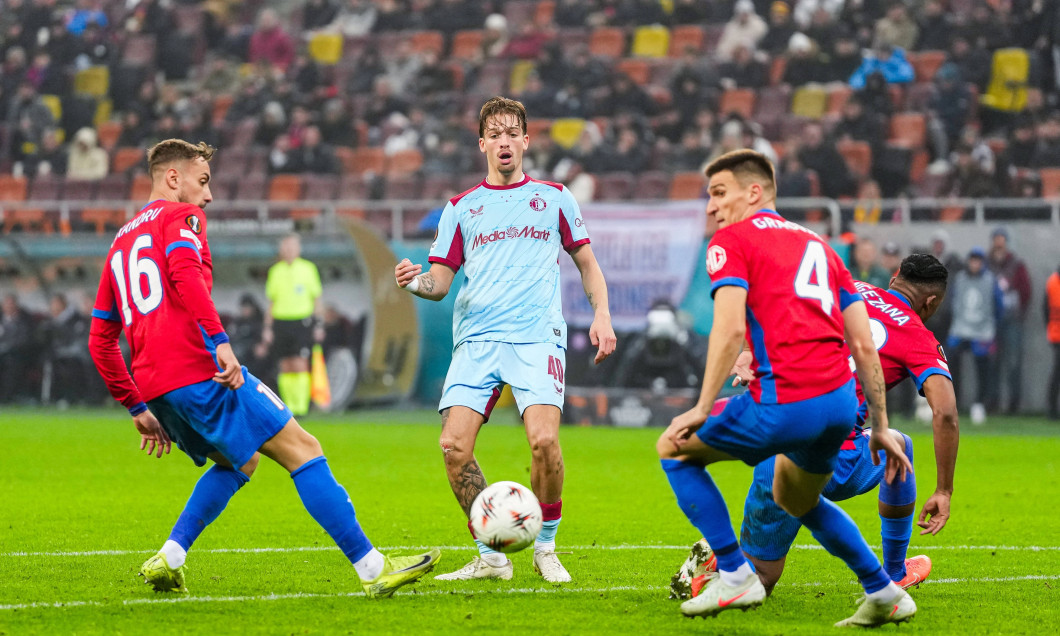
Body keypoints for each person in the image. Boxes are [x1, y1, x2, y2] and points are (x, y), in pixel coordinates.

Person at [88, 139, 439, 598]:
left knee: (242, 460)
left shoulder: (120, 242)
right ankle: (373, 568)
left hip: (157, 389)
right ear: (173, 178)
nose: (209, 195)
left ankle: (169, 557)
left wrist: (136, 406)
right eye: (203, 181)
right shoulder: (181, 217)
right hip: (200, 373)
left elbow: (100, 339)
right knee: (304, 448)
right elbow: (185, 277)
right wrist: (221, 343)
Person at [655, 149, 914, 627]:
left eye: (720, 193)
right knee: (796, 497)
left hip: (787, 401)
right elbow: (862, 344)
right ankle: (883, 591)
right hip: (839, 405)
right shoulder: (823, 248)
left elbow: (729, 329)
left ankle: (735, 574)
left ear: (754, 192)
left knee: (673, 447)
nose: (711, 206)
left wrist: (702, 406)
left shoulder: (731, 240)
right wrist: (880, 425)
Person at [393, 97, 617, 583]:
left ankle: (546, 547)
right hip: (477, 340)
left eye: (513, 133)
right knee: (453, 447)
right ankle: (491, 555)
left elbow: (587, 264)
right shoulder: (460, 209)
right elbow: (439, 283)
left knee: (544, 442)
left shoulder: (555, 198)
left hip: (537, 337)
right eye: (495, 134)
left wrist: (602, 314)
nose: (504, 142)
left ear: (526, 141)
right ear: (482, 145)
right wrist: (414, 282)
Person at [672, 254, 959, 599]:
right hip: (828, 452)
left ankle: (720, 560)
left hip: (774, 431)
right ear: (931, 302)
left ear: (894, 277)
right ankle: (894, 573)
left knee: (762, 573)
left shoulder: (847, 289)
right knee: (900, 448)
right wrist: (943, 490)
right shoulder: (918, 337)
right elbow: (945, 413)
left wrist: (748, 350)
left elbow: (767, 300)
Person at [263, 233, 324, 417]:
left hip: (301, 321)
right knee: (285, 364)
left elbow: (317, 299)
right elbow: (271, 302)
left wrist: (319, 324)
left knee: (300, 363)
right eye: (286, 246)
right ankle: (289, 407)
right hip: (281, 322)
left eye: (292, 246)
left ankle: (301, 407)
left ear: (298, 249)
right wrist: (267, 327)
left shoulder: (308, 269)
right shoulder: (275, 271)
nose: (289, 250)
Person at [947, 248, 1002, 424]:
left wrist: (991, 327)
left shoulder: (990, 280)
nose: (975, 264)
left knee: (982, 368)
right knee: (949, 363)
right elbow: (953, 300)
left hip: (982, 331)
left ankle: (979, 404)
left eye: (978, 260)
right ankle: (952, 402)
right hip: (960, 329)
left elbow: (998, 305)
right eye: (972, 260)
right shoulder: (960, 278)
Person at [988, 227, 1032, 414]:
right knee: (993, 361)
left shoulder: (1016, 264)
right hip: (992, 320)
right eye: (996, 239)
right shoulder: (987, 264)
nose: (999, 243)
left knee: (1013, 361)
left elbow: (1026, 291)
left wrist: (1019, 312)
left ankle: (1014, 403)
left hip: (1012, 320)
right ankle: (993, 401)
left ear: (1006, 242)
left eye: (1002, 239)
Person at [1046, 263, 1060, 420]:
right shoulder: (1052, 282)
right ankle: (1052, 409)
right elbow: (1046, 309)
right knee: (1057, 373)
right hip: (1057, 335)